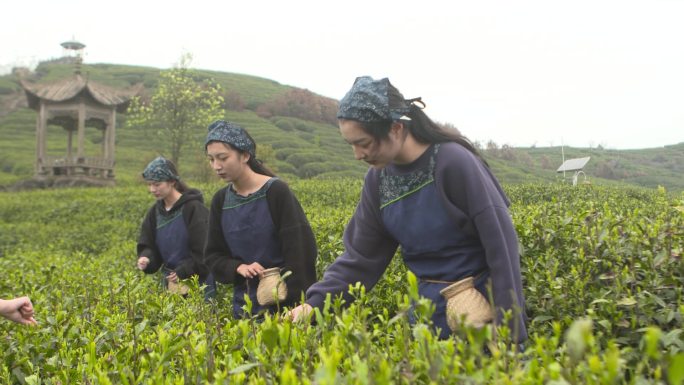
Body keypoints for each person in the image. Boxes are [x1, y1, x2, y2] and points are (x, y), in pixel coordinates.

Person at [290, 76, 527, 342]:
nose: (358, 155)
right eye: (352, 145)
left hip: (479, 312)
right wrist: (313, 304)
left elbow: (501, 247)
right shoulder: (378, 180)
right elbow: (360, 259)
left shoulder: (453, 162)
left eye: (364, 143)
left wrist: (510, 330)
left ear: (396, 128)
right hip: (427, 317)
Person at [203, 120, 317, 318]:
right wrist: (238, 267)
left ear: (245, 155)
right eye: (211, 159)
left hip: (285, 305)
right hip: (245, 306)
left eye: (222, 158)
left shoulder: (276, 192)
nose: (216, 166)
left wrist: (297, 305)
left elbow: (300, 250)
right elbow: (213, 255)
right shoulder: (221, 200)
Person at [136, 156, 216, 298]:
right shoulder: (155, 213)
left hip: (198, 280)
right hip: (171, 281)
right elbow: (148, 243)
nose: (152, 189)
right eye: (149, 185)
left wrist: (184, 270)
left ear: (172, 182)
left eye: (157, 184)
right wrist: (147, 258)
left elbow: (205, 249)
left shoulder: (193, 209)